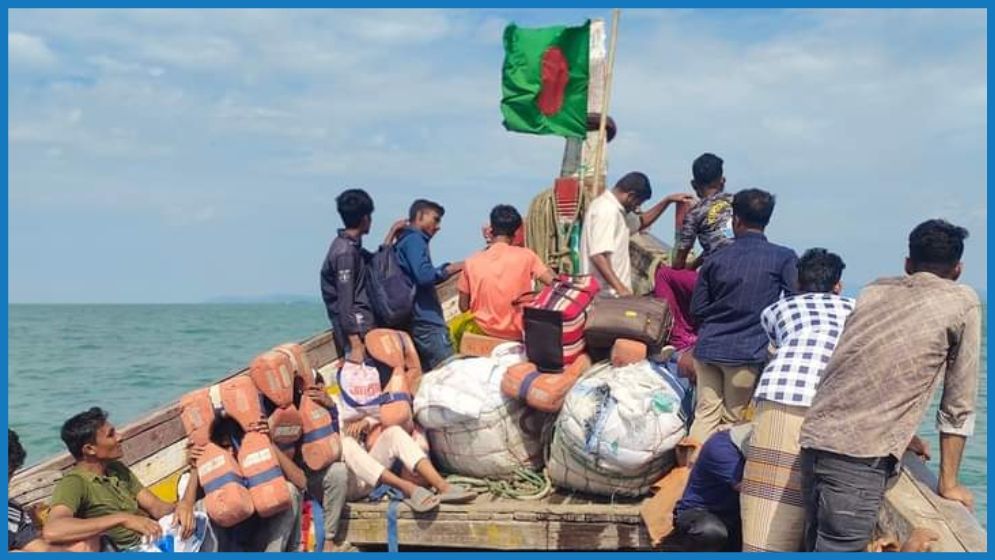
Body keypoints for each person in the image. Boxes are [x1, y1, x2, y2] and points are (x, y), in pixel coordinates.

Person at [798, 219, 980, 552]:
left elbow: (859, 367)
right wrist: (949, 483)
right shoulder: (963, 302)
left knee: (816, 543)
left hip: (814, 440)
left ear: (908, 264)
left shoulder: (874, 290)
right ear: (958, 269)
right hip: (859, 457)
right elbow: (958, 402)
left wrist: (902, 432)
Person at [739, 248, 855, 552]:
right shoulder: (854, 309)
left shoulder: (777, 309)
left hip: (782, 392)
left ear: (798, 283)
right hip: (834, 399)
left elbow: (776, 345)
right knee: (822, 488)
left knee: (768, 499)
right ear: (838, 285)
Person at [688, 189, 798, 446]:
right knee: (731, 422)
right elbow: (793, 300)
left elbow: (697, 309)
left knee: (704, 415)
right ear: (767, 220)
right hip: (746, 354)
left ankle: (687, 472)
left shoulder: (716, 257)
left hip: (708, 350)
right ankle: (714, 479)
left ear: (735, 219)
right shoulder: (783, 257)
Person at [44, 408, 192, 551]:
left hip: (152, 541)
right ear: (90, 449)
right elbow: (53, 530)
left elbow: (156, 507)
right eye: (111, 435)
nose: (120, 437)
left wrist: (185, 504)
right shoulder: (75, 483)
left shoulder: (116, 469)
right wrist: (122, 519)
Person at [181, 416, 304, 552]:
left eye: (234, 445)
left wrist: (269, 443)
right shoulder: (211, 469)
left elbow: (301, 482)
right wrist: (195, 467)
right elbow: (186, 507)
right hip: (229, 544)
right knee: (201, 506)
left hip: (263, 540)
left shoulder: (256, 462)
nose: (231, 452)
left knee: (290, 490)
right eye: (225, 447)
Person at [320, 188, 405, 364]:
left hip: (364, 325)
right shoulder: (345, 253)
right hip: (358, 330)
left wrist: (391, 236)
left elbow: (374, 262)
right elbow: (345, 302)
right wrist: (355, 343)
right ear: (365, 218)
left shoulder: (352, 247)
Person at [580, 172, 693, 296]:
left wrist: (667, 201)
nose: (636, 208)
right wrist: (621, 289)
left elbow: (641, 222)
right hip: (605, 296)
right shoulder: (606, 211)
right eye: (637, 203)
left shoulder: (619, 212)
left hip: (613, 296)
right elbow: (598, 255)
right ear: (631, 196)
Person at [337, 413, 476, 511]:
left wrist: (367, 421)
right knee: (346, 444)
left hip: (365, 473)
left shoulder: (335, 404)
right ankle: (408, 489)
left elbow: (374, 412)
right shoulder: (316, 418)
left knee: (394, 432)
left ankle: (443, 486)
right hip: (342, 484)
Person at [458, 205, 556, 341]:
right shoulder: (527, 256)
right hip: (518, 333)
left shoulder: (471, 261)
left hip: (482, 334)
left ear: (491, 229)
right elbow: (554, 284)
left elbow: (463, 306)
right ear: (515, 233)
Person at [395, 199, 463, 371]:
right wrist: (448, 269)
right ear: (420, 216)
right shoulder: (415, 240)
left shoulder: (403, 241)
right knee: (448, 372)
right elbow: (424, 276)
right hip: (426, 319)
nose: (438, 226)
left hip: (412, 319)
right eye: (435, 219)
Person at [672, 424, 752, 552]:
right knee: (711, 532)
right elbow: (750, 489)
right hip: (701, 512)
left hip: (734, 518)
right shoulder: (721, 447)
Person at [673, 153, 735, 270]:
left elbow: (681, 256)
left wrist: (679, 269)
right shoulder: (737, 202)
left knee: (664, 276)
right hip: (744, 262)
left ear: (693, 184)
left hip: (718, 273)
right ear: (722, 181)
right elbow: (720, 243)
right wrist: (694, 265)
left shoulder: (695, 213)